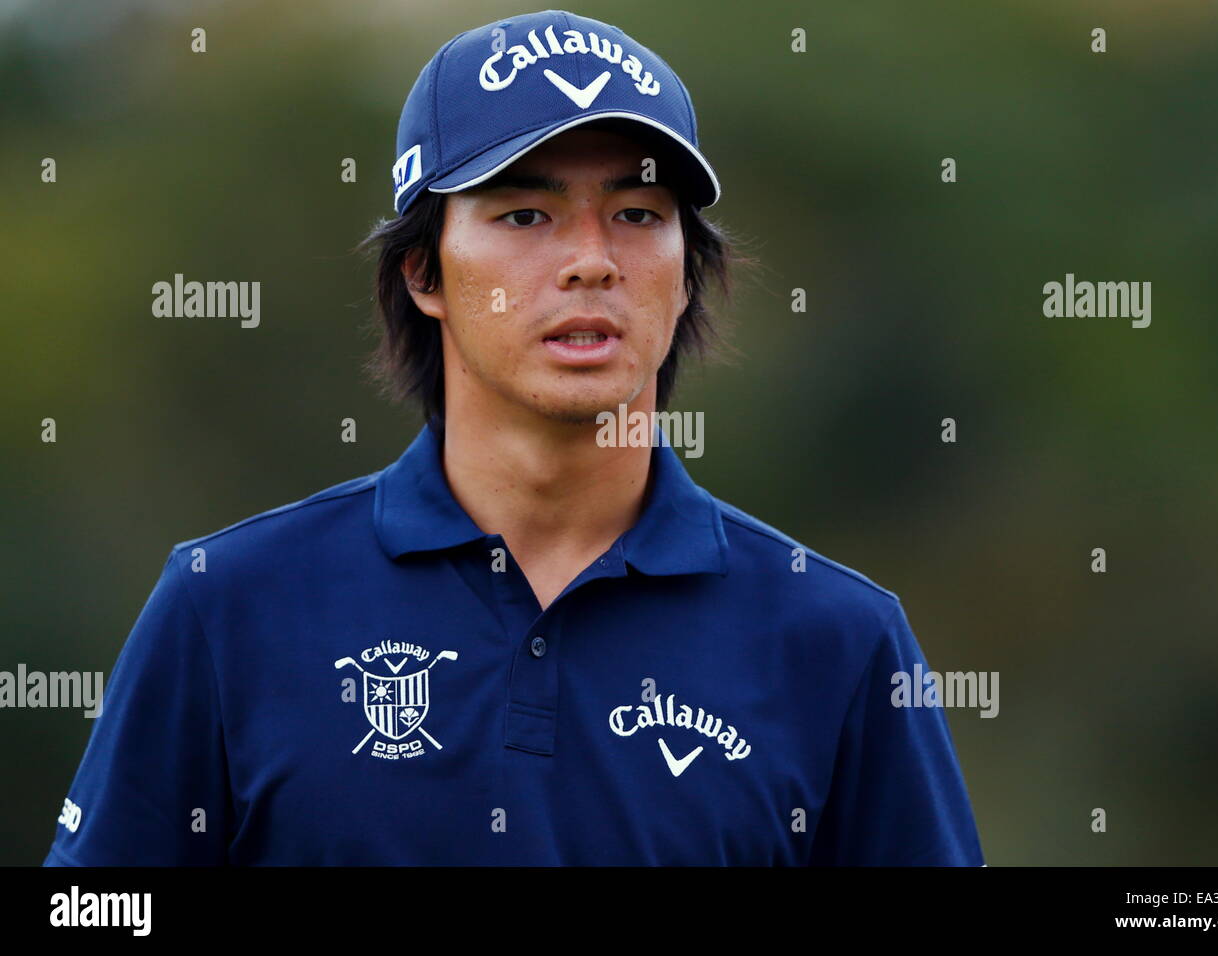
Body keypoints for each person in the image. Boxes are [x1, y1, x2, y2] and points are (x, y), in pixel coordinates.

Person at [43, 9, 984, 866]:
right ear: (424, 273)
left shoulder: (838, 642)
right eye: (526, 215)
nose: (590, 261)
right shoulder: (229, 608)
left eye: (639, 215)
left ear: (688, 274)